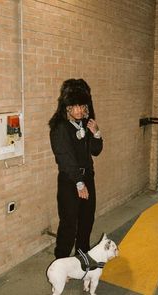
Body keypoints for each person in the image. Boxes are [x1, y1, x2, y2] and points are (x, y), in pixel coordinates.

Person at [49, 78, 103, 259]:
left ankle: (82, 256)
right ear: (67, 107)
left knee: (87, 220)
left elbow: (96, 151)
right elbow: (65, 158)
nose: (80, 110)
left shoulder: (86, 124)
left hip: (88, 177)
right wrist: (79, 184)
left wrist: (96, 132)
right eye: (76, 106)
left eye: (83, 106)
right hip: (70, 181)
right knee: (69, 223)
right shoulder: (60, 128)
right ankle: (61, 261)